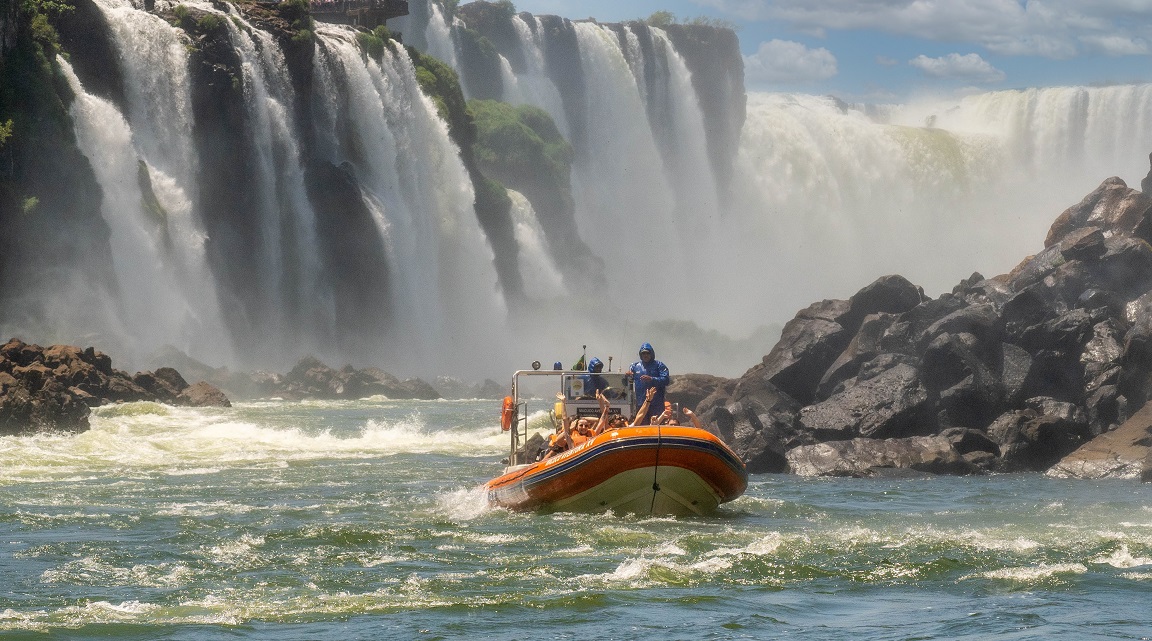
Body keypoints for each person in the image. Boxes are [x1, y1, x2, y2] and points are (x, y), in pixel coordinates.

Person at [628, 342, 669, 425]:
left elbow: (666, 380)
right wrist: (627, 376)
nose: (645, 355)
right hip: (641, 403)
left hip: (656, 403)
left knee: (657, 425)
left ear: (651, 353)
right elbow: (627, 382)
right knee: (642, 425)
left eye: (647, 353)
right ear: (640, 354)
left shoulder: (659, 365)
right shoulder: (634, 366)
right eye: (643, 353)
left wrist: (652, 379)